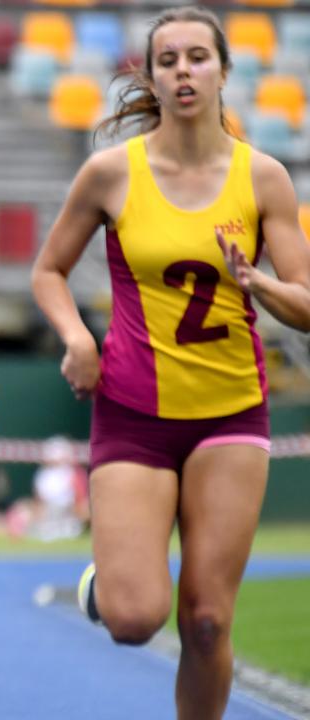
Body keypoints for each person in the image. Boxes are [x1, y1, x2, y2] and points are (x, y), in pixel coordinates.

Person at [31, 7, 310, 718]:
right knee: (133, 620)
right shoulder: (110, 174)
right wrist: (77, 339)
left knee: (209, 620)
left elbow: (306, 304)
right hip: (134, 414)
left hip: (230, 414)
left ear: (223, 70)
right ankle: (108, 585)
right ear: (152, 77)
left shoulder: (265, 178)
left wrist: (260, 284)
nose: (183, 71)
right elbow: (48, 272)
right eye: (168, 60)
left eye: (197, 57)